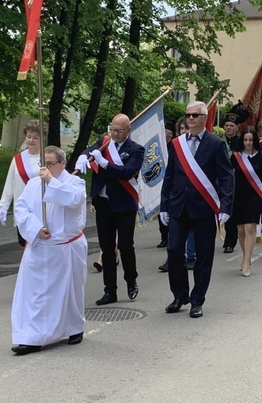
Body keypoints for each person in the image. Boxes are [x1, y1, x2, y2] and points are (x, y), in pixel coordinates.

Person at [11, 146, 88, 355]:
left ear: (62, 164)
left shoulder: (75, 183)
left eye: (50, 164)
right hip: (39, 245)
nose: (45, 168)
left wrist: (51, 182)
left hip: (66, 248)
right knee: (33, 295)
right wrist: (36, 229)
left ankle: (74, 327)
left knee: (71, 292)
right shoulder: (33, 184)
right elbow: (20, 208)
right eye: (43, 164)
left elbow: (73, 200)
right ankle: (31, 336)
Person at [160, 101, 234, 318]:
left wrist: (225, 206)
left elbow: (226, 177)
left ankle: (197, 299)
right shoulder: (176, 144)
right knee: (174, 251)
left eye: (195, 115)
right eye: (188, 115)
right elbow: (170, 175)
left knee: (203, 256)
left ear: (204, 117)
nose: (190, 118)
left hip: (204, 207)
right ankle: (179, 294)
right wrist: (164, 205)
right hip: (178, 206)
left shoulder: (216, 143)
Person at [75, 114, 144, 306]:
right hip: (103, 203)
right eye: (113, 129)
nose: (115, 134)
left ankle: (131, 280)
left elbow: (127, 172)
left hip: (124, 204)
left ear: (128, 131)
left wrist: (104, 163)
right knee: (106, 248)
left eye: (120, 131)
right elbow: (90, 149)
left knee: (125, 245)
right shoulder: (104, 143)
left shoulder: (136, 150)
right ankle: (109, 291)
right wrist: (83, 156)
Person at [230, 126, 262, 276]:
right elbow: (229, 177)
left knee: (250, 228)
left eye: (251, 140)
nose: (248, 143)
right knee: (240, 230)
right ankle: (245, 256)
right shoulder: (235, 157)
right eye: (245, 140)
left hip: (255, 196)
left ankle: (247, 262)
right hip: (238, 196)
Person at [0, 120, 46, 246]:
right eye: (29, 137)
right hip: (22, 209)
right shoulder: (18, 159)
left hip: (40, 209)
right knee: (24, 243)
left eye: (35, 137)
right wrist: (4, 205)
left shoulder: (47, 158)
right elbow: (10, 183)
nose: (31, 140)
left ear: (42, 139)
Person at [159, 117, 196, 272]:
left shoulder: (199, 147)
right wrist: (164, 204)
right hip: (177, 197)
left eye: (186, 129)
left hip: (195, 197)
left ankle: (191, 256)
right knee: (175, 236)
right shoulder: (175, 147)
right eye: (181, 129)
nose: (183, 132)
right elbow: (169, 176)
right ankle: (172, 258)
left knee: (192, 229)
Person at [221, 111, 242, 254]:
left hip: (237, 182)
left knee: (232, 214)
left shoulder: (241, 143)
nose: (229, 128)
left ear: (237, 128)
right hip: (221, 181)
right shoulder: (218, 142)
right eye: (227, 125)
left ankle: (230, 241)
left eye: (232, 126)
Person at [157, 121, 177, 249]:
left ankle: (171, 237)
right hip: (160, 181)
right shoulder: (159, 146)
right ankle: (164, 238)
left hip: (172, 182)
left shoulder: (174, 146)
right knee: (161, 212)